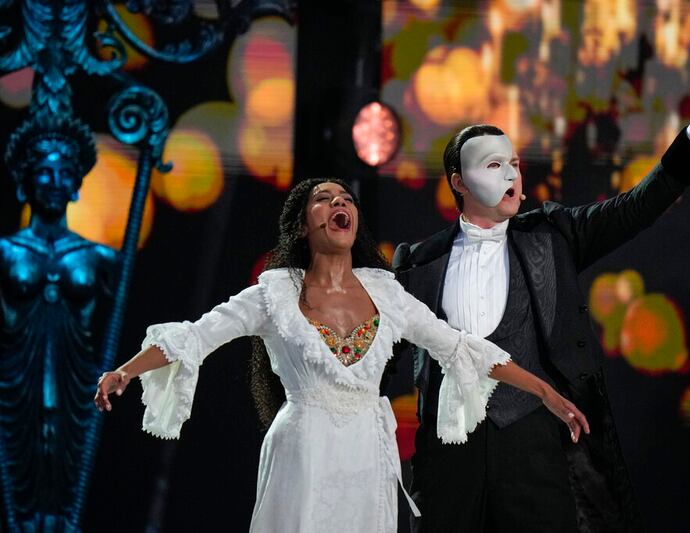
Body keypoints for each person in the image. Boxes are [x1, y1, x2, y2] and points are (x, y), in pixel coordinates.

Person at [95, 177, 590, 533]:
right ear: (302, 225)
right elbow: (195, 337)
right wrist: (125, 371)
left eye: (346, 199)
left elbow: (460, 348)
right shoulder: (274, 294)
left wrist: (545, 392)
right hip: (303, 452)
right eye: (323, 199)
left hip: (367, 458)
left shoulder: (386, 292)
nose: (339, 202)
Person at [392, 76, 690, 532]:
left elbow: (636, 207)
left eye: (514, 164)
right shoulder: (418, 262)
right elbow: (379, 355)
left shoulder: (552, 236)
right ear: (459, 182)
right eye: (494, 164)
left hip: (535, 447)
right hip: (448, 455)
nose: (511, 175)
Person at [0, 113, 117, 531]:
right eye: (43, 172)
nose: (53, 181)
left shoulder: (100, 258)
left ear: (76, 184)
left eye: (63, 172)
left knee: (66, 475)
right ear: (25, 181)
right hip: (16, 381)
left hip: (76, 381)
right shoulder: (6, 251)